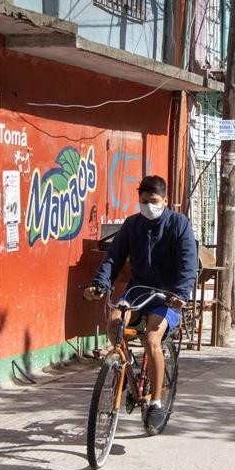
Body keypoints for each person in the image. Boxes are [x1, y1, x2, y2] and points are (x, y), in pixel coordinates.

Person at [87, 175, 197, 433]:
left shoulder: (179, 225)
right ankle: (122, 370)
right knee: (114, 321)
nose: (148, 205)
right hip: (138, 292)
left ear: (166, 201)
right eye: (144, 201)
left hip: (167, 296)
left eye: (154, 201)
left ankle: (156, 402)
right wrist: (100, 284)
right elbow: (113, 258)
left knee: (151, 340)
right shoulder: (132, 224)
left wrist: (181, 294)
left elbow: (188, 263)